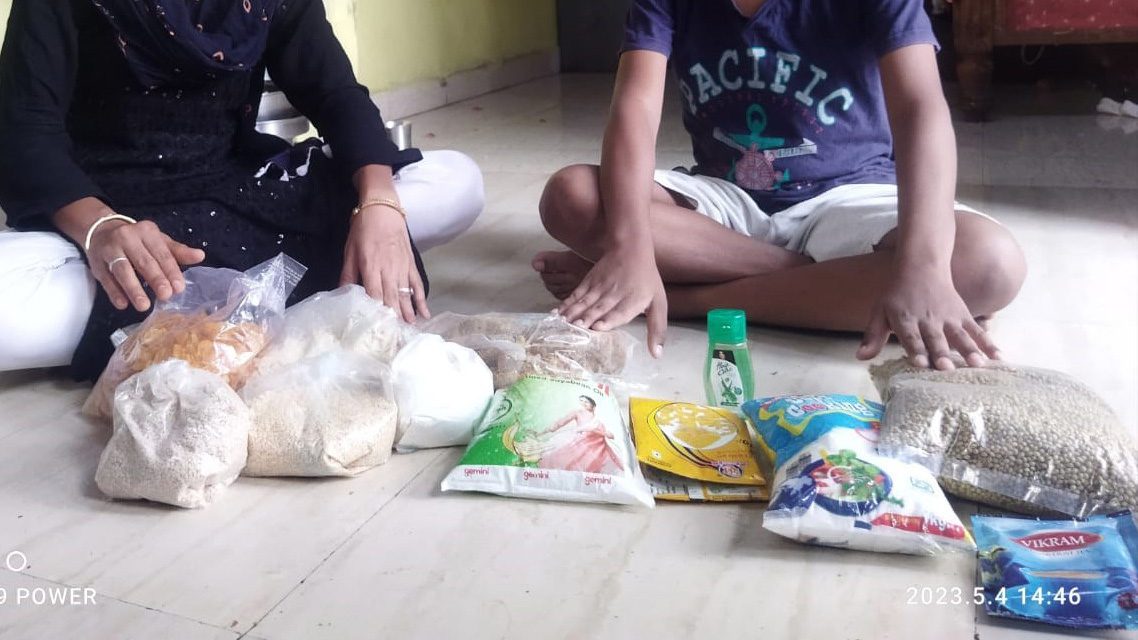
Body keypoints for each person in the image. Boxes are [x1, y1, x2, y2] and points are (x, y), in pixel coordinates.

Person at [533, 0, 1027, 371]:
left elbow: (921, 111)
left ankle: (686, 299)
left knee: (990, 263)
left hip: (850, 195)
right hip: (726, 202)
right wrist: (629, 247)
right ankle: (816, 279)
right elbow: (635, 110)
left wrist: (924, 266)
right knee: (572, 197)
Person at [0, 0, 484, 379]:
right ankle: (267, 290)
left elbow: (334, 92)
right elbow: (22, 130)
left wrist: (379, 205)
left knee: (456, 180)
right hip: (116, 216)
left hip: (234, 193)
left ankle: (216, 300)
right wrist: (100, 227)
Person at [537, 395, 623, 475]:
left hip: (597, 448)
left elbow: (608, 434)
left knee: (594, 467)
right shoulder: (578, 412)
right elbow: (560, 423)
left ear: (593, 405)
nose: (583, 404)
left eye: (586, 402)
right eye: (581, 401)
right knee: (566, 461)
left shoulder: (599, 420)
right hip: (581, 443)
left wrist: (605, 433)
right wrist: (543, 432)